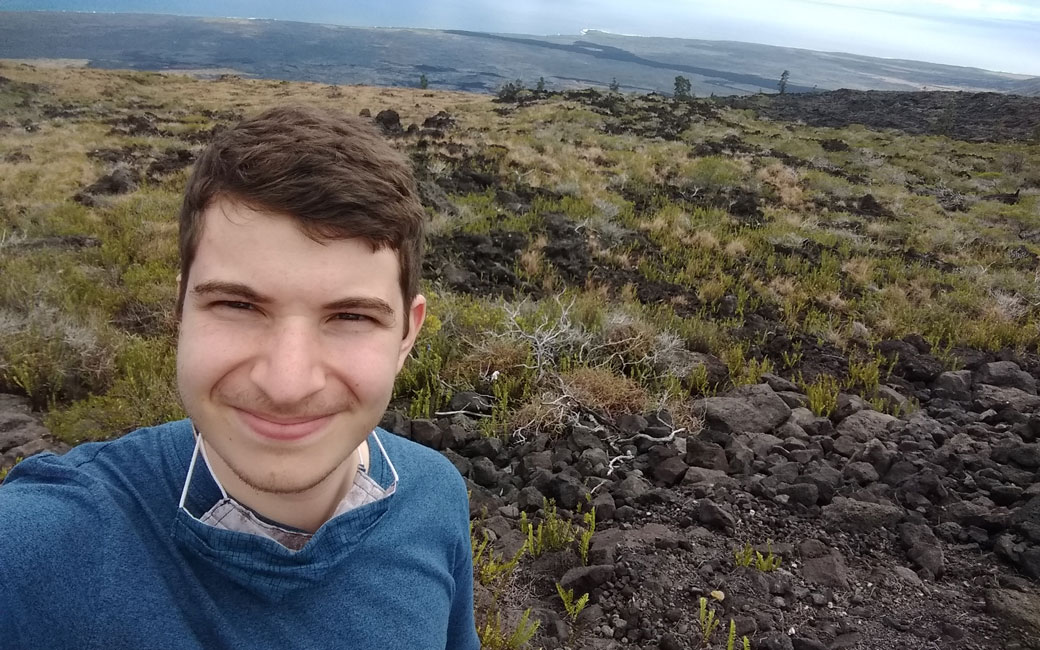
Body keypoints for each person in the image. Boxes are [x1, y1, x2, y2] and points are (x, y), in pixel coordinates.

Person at [0, 105, 480, 649]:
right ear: (180, 308)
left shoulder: (434, 495)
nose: (287, 383)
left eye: (350, 317)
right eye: (238, 305)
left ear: (406, 337)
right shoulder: (34, 554)